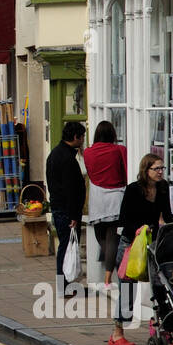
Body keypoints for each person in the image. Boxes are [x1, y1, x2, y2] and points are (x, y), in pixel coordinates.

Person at [110, 153, 173, 345]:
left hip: (152, 242)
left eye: (162, 168)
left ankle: (166, 329)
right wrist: (140, 229)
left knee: (161, 285)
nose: (160, 172)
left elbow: (166, 214)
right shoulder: (133, 190)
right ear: (145, 170)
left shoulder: (163, 187)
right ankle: (117, 333)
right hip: (131, 244)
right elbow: (124, 219)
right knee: (127, 288)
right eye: (156, 168)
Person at [82, 121, 127, 287]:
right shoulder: (119, 150)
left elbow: (90, 172)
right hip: (117, 196)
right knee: (113, 237)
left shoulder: (88, 152)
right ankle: (111, 273)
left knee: (101, 236)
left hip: (98, 197)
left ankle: (109, 273)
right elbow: (126, 171)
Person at [45, 121, 87, 293]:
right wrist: (73, 216)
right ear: (75, 137)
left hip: (60, 208)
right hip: (66, 211)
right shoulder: (66, 158)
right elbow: (70, 190)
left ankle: (66, 284)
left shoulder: (57, 153)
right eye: (82, 137)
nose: (83, 140)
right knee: (67, 248)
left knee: (66, 247)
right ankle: (65, 285)